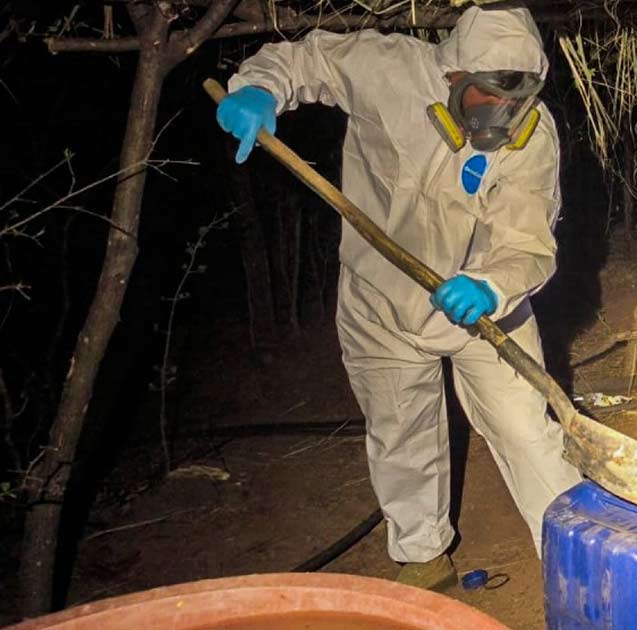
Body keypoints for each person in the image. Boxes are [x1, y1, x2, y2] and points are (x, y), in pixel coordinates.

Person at [214, 5, 581, 590]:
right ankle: (423, 557)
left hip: (484, 306)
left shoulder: (532, 139)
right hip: (379, 304)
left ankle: (578, 558)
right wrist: (261, 87)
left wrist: (492, 283)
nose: (503, 117)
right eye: (489, 98)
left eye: (518, 101)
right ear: (453, 76)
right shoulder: (386, 67)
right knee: (400, 430)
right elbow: (308, 59)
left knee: (528, 431)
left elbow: (527, 240)